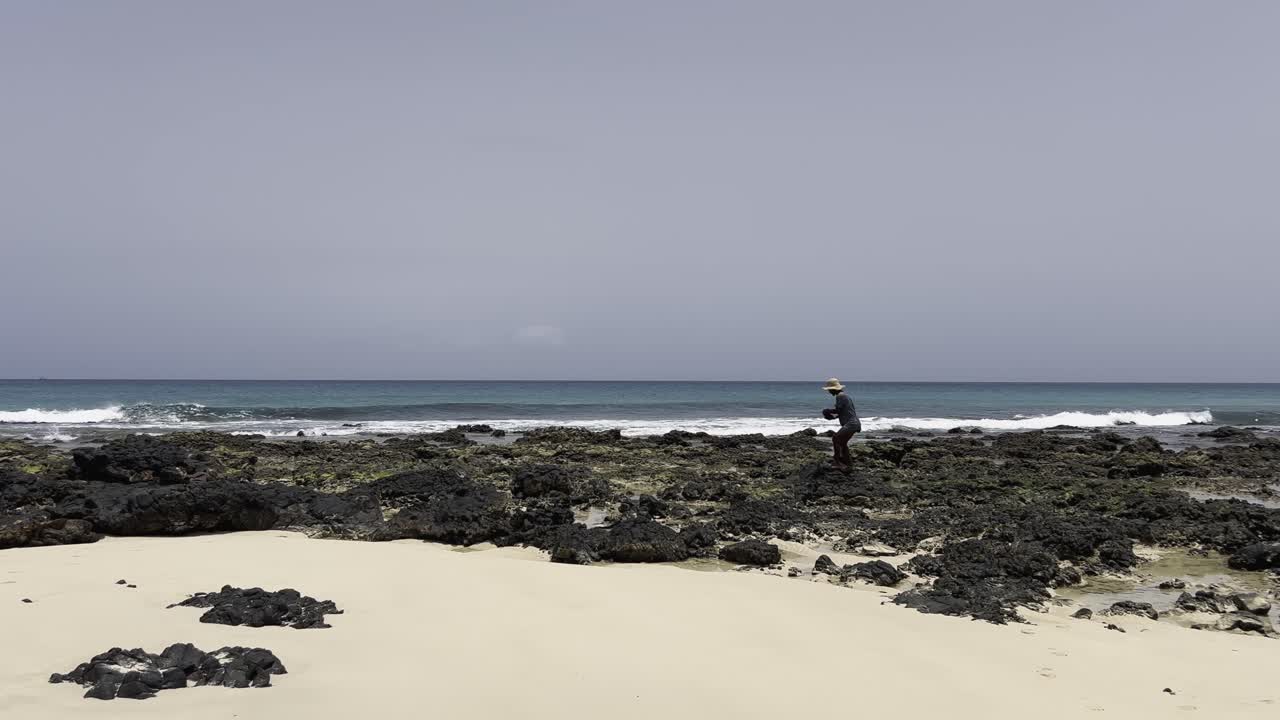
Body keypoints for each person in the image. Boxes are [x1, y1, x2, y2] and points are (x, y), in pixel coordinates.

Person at [821, 378, 860, 468]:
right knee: (842, 443)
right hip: (854, 423)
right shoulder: (845, 396)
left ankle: (837, 461)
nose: (829, 392)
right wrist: (833, 416)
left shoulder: (840, 396)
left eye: (829, 390)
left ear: (833, 389)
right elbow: (845, 412)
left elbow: (838, 410)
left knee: (835, 438)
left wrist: (827, 411)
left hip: (851, 424)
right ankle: (848, 465)